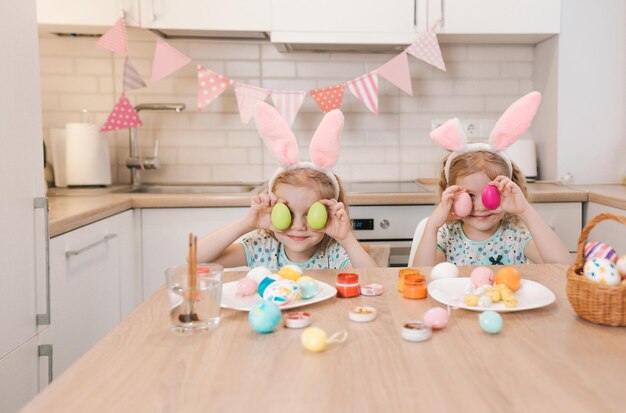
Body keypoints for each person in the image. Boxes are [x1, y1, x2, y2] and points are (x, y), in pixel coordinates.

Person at [197, 102, 377, 270]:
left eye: (310, 214)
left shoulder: (334, 254)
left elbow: (374, 280)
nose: (298, 226)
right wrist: (246, 224)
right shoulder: (263, 249)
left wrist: (346, 239)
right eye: (288, 213)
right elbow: (196, 258)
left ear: (329, 214)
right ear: (272, 210)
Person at [412, 91, 571, 267]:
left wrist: (525, 211)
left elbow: (562, 266)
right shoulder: (447, 235)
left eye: (491, 193)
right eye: (469, 196)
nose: (479, 207)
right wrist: (432, 226)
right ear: (451, 196)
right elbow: (420, 274)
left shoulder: (516, 235)